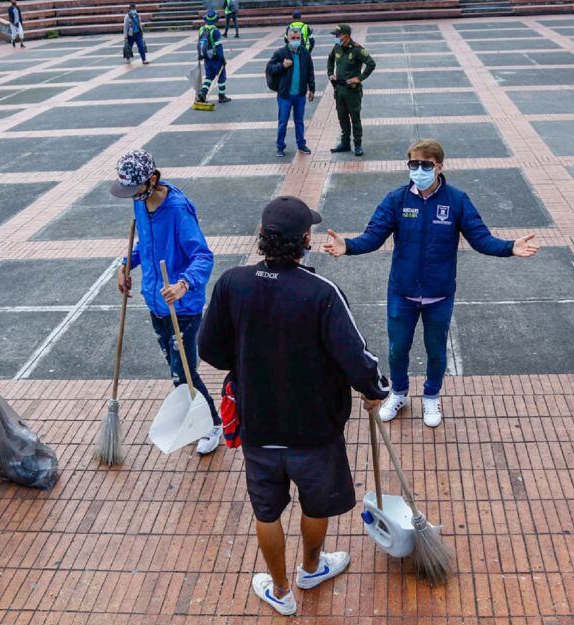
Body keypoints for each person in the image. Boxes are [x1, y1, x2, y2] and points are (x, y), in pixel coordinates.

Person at [199, 196, 389, 617]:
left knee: (266, 511)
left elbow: (209, 349)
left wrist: (248, 361)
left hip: (258, 426)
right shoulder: (321, 292)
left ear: (263, 238)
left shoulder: (232, 283)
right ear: (305, 241)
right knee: (315, 503)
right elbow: (356, 357)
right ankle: (310, 568)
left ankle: (281, 591)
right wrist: (377, 389)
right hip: (315, 428)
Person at [323, 140, 540, 427]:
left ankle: (431, 397)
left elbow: (481, 238)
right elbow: (373, 237)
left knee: (436, 351)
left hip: (439, 295)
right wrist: (347, 246)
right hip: (402, 293)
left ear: (439, 166)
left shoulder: (457, 201)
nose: (419, 169)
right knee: (398, 349)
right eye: (414, 164)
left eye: (426, 165)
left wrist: (509, 247)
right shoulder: (397, 200)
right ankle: (399, 393)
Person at [109, 150, 223, 455]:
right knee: (175, 368)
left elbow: (203, 256)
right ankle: (195, 416)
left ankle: (212, 423)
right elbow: (144, 246)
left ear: (152, 180)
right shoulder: (140, 202)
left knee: (183, 371)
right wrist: (125, 265)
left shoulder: (177, 210)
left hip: (182, 306)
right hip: (155, 301)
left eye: (135, 190)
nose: (131, 197)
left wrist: (183, 284)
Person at [267, 27, 315, 158]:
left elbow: (310, 71)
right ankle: (280, 146)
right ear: (288, 39)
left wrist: (312, 89)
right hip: (285, 95)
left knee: (299, 121)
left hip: (300, 94)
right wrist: (282, 66)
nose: (295, 40)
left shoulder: (305, 53)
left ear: (301, 39)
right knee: (283, 121)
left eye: (298, 38)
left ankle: (301, 144)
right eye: (293, 38)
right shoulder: (281, 53)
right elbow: (270, 68)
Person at [326, 24, 374, 157]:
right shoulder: (337, 48)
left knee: (355, 118)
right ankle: (345, 143)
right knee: (342, 117)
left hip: (352, 91)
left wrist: (359, 78)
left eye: (337, 35)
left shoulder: (358, 50)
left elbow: (371, 64)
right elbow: (330, 60)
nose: (335, 38)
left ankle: (357, 145)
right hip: (339, 89)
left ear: (346, 36)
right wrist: (330, 73)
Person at [197, 10, 230, 104]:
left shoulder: (201, 29)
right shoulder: (215, 31)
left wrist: (200, 55)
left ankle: (203, 93)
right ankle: (222, 96)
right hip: (216, 58)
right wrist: (222, 58)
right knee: (221, 77)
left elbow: (199, 43)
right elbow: (219, 47)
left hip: (206, 57)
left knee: (209, 76)